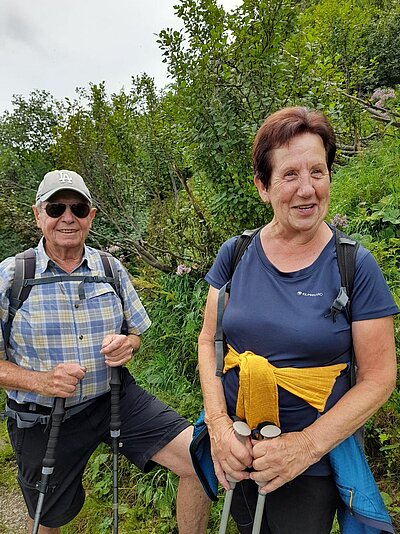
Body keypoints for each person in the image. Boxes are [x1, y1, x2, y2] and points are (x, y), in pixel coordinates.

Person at [197, 107, 398, 533]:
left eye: (318, 171)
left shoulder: (354, 266)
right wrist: (217, 427)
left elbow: (379, 378)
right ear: (262, 187)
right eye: (290, 175)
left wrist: (304, 446)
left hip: (312, 466)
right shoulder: (235, 254)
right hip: (237, 449)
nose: (307, 189)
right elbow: (208, 342)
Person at [0, 170, 210, 534]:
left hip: (115, 397)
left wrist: (128, 345)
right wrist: (42, 382)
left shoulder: (109, 268)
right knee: (48, 518)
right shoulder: (11, 276)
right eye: (56, 208)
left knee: (199, 459)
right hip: (42, 417)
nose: (68, 217)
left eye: (78, 208)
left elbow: (135, 333)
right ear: (38, 215)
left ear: (91, 216)